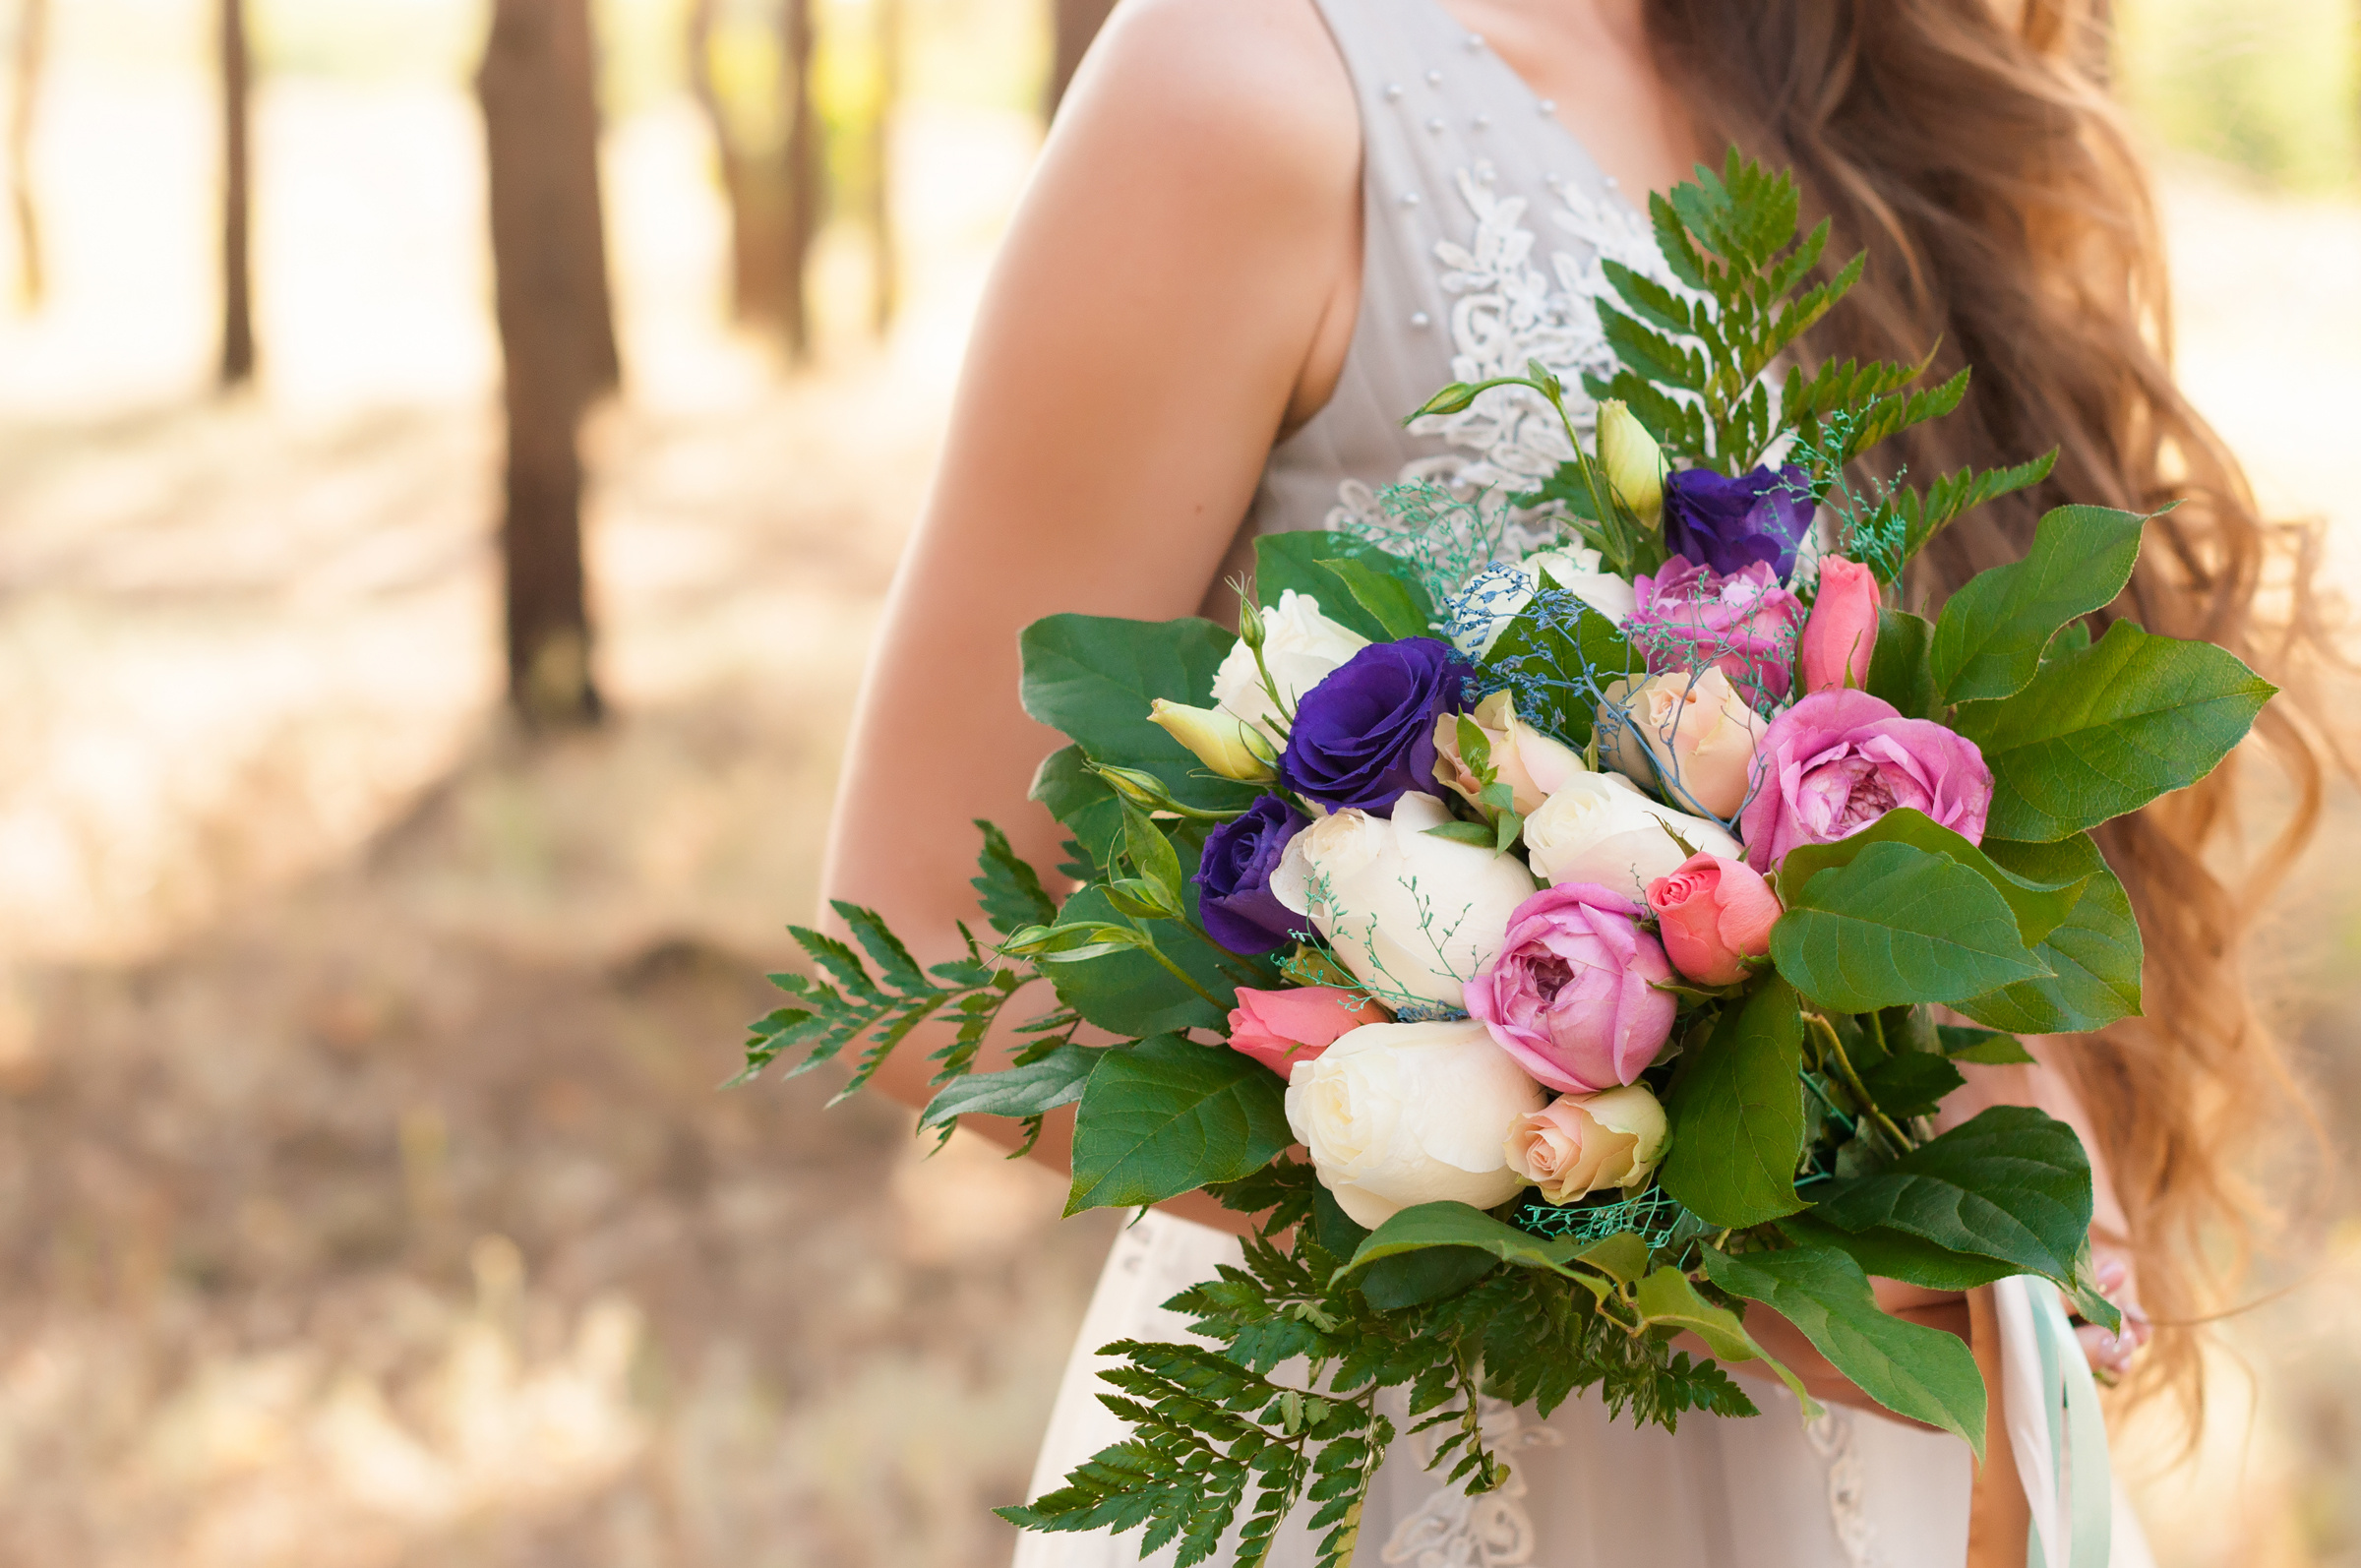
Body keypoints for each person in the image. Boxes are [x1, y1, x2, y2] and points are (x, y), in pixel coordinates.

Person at [820, 0, 2330, 1561]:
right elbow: (923, 917)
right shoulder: (1246, 79)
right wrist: (1694, 1254)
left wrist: (2013, 1107)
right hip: (1434, 1463)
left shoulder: (1859, 68)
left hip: (1897, 1469)